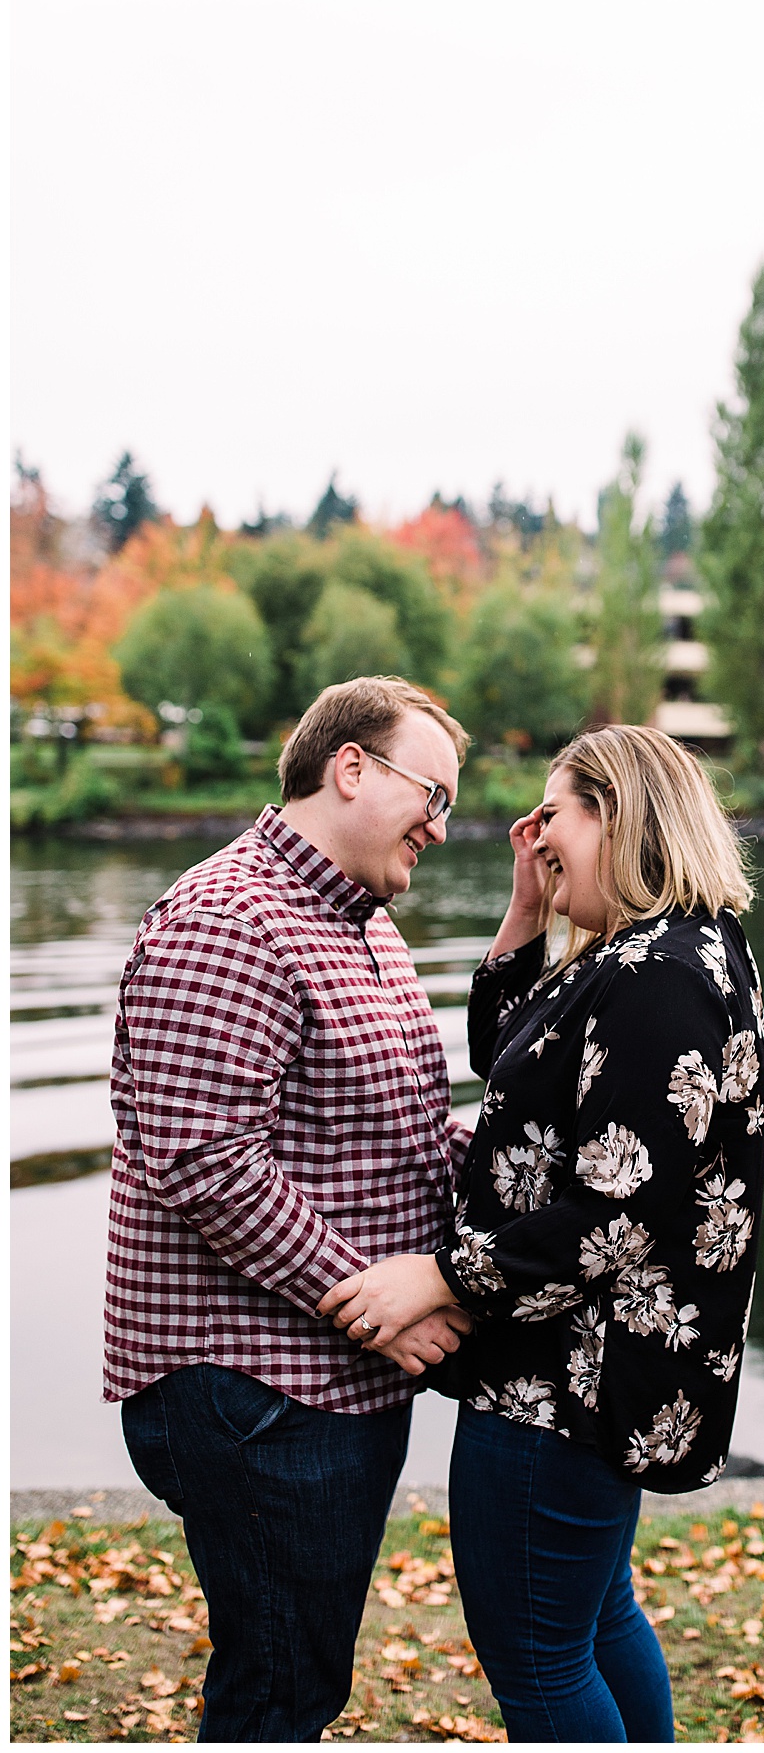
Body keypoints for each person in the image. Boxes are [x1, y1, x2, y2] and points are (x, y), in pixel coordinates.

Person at [321, 724, 764, 1743]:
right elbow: (510, 1056)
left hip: (565, 1385)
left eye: (553, 812)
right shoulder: (658, 949)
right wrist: (528, 904)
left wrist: (436, 1278)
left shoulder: (660, 971)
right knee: (593, 1619)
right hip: (586, 1378)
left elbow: (619, 1217)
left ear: (617, 814)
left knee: (539, 1660)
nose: (534, 832)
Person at [105, 675, 476, 1743]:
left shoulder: (361, 923)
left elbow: (399, 1132)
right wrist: (380, 1303)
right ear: (351, 767)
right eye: (433, 794)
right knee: (277, 1691)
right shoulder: (229, 918)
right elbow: (211, 1162)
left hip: (326, 1376)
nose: (442, 827)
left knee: (301, 1673)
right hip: (255, 1384)